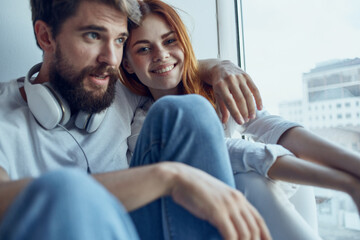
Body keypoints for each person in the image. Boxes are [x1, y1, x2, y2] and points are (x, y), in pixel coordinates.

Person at [0, 0, 273, 240]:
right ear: (46, 36)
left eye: (119, 40)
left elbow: (166, 68)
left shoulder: (111, 84)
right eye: (94, 35)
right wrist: (166, 177)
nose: (111, 59)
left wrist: (219, 67)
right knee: (67, 189)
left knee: (189, 110)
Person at [120, 0, 360, 239]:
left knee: (280, 163)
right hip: (191, 222)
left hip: (257, 200)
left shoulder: (214, 90)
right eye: (144, 48)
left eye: (169, 40)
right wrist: (341, 182)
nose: (161, 54)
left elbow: (272, 127)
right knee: (250, 181)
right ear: (128, 64)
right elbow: (231, 153)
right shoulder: (145, 128)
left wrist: (352, 165)